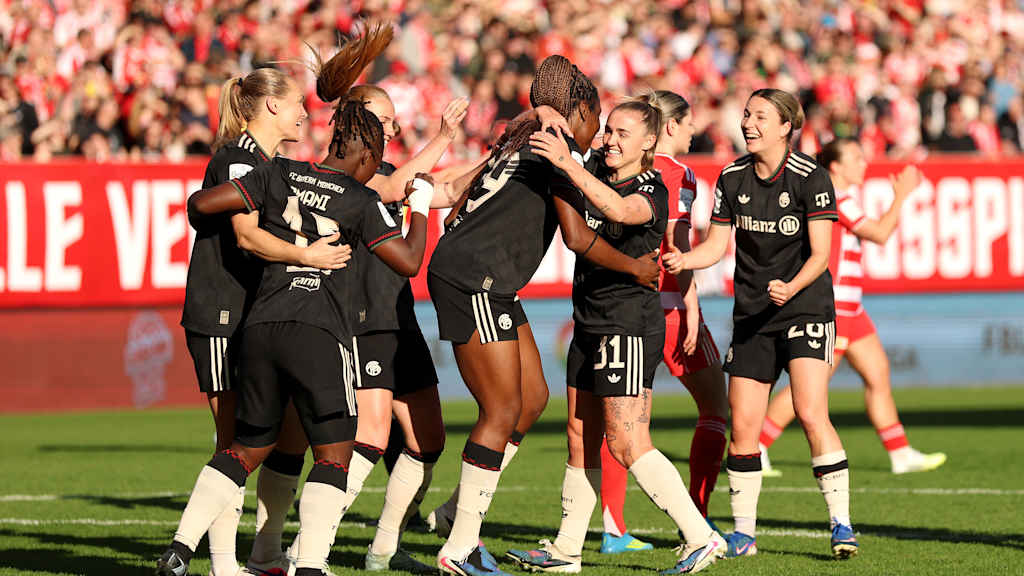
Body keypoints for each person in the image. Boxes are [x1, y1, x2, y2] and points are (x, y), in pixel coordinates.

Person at [156, 23, 433, 576]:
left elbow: (201, 204)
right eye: (295, 106)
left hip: (261, 324)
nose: (304, 114)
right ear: (367, 155)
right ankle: (302, 564)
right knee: (332, 452)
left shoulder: (278, 172)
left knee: (251, 446)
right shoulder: (356, 198)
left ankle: (188, 550)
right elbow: (407, 260)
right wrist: (421, 206)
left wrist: (214, 210)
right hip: (304, 328)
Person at [425, 55, 660, 576]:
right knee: (501, 410)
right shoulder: (558, 145)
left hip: (488, 279)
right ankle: (459, 548)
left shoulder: (525, 134)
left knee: (532, 399)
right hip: (476, 278)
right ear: (580, 109)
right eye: (597, 119)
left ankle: (455, 514)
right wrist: (634, 267)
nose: (599, 133)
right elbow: (576, 236)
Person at [509, 99, 724, 575]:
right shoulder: (595, 169)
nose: (610, 140)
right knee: (579, 437)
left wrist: (569, 165)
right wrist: (546, 112)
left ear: (649, 142)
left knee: (626, 443)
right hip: (588, 320)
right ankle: (567, 550)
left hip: (626, 325)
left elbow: (621, 211)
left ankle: (700, 537)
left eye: (623, 133)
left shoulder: (650, 187)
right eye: (609, 130)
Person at [662, 88, 858, 560]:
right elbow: (716, 246)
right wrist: (686, 259)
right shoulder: (732, 178)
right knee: (744, 426)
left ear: (786, 126)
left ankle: (841, 524)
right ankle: (743, 535)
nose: (748, 123)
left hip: (805, 308)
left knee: (810, 412)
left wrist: (791, 287)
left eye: (760, 117)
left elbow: (821, 255)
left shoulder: (811, 177)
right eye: (747, 115)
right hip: (752, 315)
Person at [179, 66, 351, 576]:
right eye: (298, 102)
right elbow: (247, 236)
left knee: (268, 435)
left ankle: (262, 554)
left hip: (253, 316)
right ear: (272, 105)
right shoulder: (238, 158)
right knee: (233, 442)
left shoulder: (269, 163)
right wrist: (308, 256)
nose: (304, 112)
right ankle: (222, 565)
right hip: (221, 313)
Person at [591, 91, 730, 555]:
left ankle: (613, 527)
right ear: (670, 127)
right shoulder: (678, 174)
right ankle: (697, 517)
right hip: (666, 306)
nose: (693, 131)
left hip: (620, 307)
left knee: (624, 423)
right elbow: (677, 243)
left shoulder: (617, 168)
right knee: (715, 410)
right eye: (688, 124)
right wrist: (691, 304)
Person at [758, 138, 945, 476]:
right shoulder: (834, 197)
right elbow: (880, 233)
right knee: (810, 387)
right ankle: (756, 446)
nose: (864, 164)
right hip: (834, 308)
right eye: (856, 158)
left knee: (878, 373)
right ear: (836, 166)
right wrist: (901, 195)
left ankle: (900, 452)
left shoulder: (839, 197)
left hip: (852, 309)